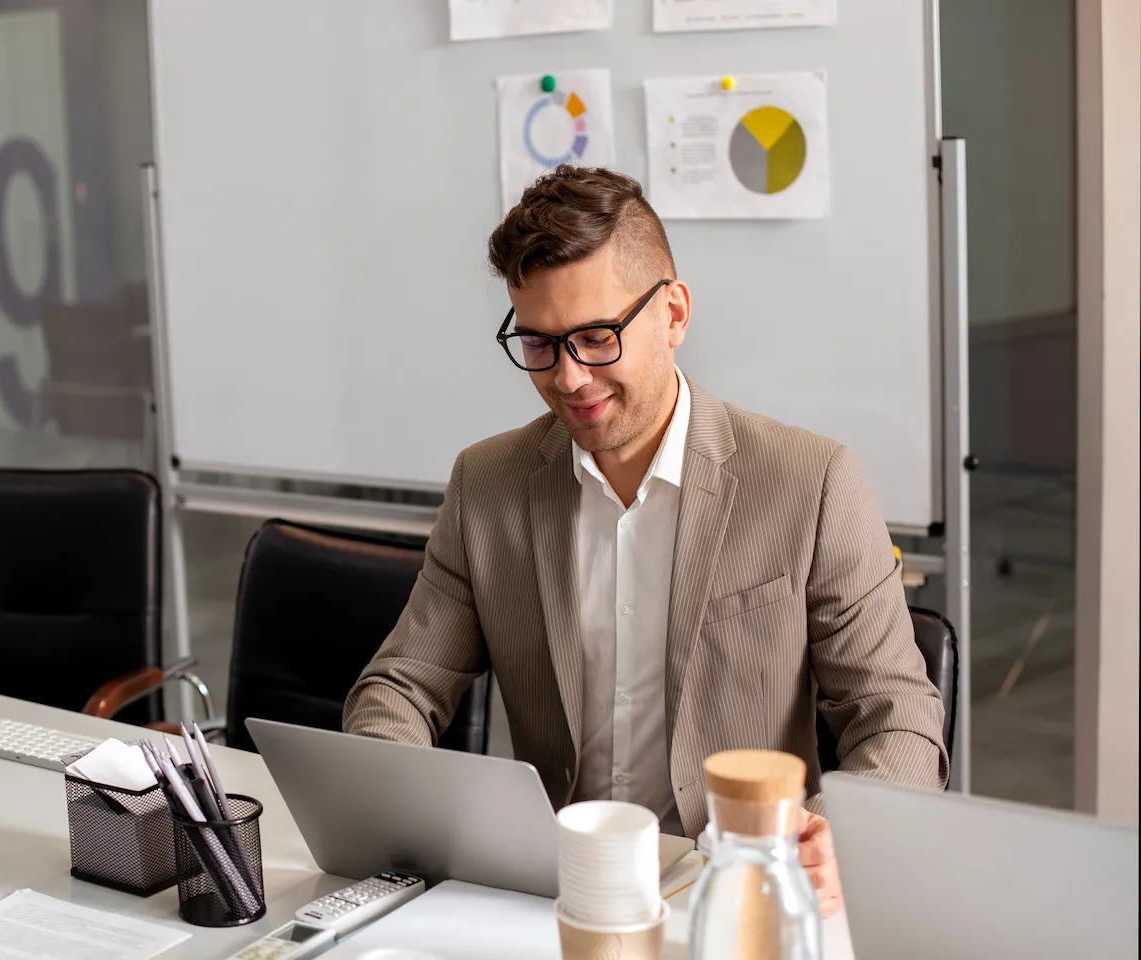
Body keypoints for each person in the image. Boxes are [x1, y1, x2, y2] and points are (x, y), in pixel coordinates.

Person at [341, 165, 947, 917]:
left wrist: (842, 838)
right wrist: (395, 800)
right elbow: (400, 685)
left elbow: (897, 713)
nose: (568, 378)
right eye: (538, 344)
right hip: (557, 893)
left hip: (738, 889)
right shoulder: (487, 485)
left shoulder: (810, 481)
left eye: (596, 337)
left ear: (674, 313)